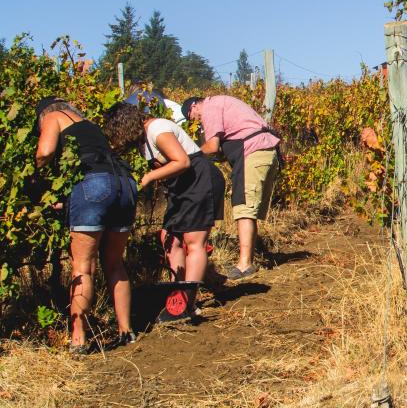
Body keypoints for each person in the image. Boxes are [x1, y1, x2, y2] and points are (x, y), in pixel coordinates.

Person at [34, 98, 137, 353]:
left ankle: (78, 339)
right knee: (114, 263)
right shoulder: (89, 126)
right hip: (124, 184)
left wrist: (35, 176)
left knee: (83, 266)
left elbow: (45, 152)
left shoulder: (53, 116)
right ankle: (126, 330)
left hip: (94, 184)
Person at [102, 103, 225, 287]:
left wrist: (149, 177)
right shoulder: (143, 138)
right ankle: (177, 290)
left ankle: (186, 301)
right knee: (169, 239)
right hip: (183, 186)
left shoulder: (156, 129)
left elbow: (182, 161)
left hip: (200, 179)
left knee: (194, 241)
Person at [182, 95, 280, 281]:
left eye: (190, 115)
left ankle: (244, 264)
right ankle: (248, 258)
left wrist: (188, 155)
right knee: (248, 209)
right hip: (264, 151)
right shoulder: (222, 103)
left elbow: (212, 146)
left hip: (252, 151)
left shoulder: (210, 107)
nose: (194, 120)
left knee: (243, 208)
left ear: (194, 106)